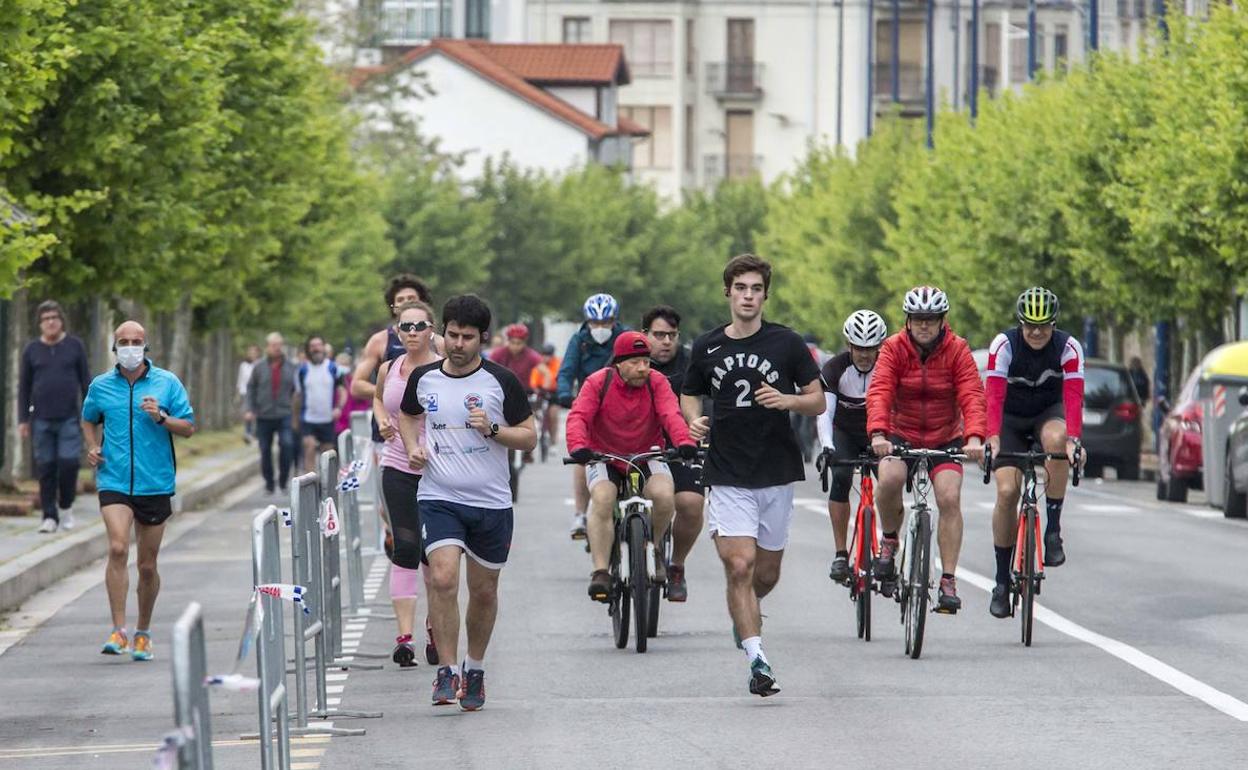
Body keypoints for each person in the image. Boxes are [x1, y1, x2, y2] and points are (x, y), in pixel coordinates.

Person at [680, 254, 825, 697]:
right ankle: (757, 658)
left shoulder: (786, 343)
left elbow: (817, 401)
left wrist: (788, 401)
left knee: (764, 575)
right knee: (738, 565)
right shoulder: (706, 346)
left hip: (777, 469)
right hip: (726, 470)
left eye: (755, 289)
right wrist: (693, 420)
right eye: (740, 288)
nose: (748, 296)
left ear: (765, 294)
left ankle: (748, 613)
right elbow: (690, 393)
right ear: (728, 292)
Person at [398, 294, 537, 712]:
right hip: (439, 494)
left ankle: (474, 669)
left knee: (484, 592)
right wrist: (412, 447)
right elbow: (408, 415)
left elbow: (528, 436)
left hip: (491, 502)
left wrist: (494, 430)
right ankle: (446, 670)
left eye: (468, 337)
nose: (458, 344)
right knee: (441, 578)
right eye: (453, 335)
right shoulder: (424, 379)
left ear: (483, 338)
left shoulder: (501, 381)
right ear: (443, 332)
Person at [865, 286, 986, 615]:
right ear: (907, 320)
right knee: (889, 479)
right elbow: (880, 391)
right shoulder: (893, 348)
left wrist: (974, 437)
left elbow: (972, 394)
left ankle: (948, 579)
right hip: (898, 433)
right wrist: (878, 433)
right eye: (917, 319)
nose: (923, 325)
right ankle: (889, 539)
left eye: (930, 320)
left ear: (942, 321)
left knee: (948, 497)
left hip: (944, 435)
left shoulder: (957, 349)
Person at [81, 321, 195, 661]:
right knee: (117, 547)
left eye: (136, 341)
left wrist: (161, 417)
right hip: (113, 478)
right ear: (115, 348)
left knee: (147, 564)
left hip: (155, 482)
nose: (130, 347)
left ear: (146, 346)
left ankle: (143, 632)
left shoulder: (167, 383)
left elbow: (188, 426)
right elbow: (89, 418)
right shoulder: (101, 386)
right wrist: (91, 446)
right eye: (123, 342)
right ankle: (118, 630)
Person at [566, 331, 696, 601]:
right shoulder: (597, 382)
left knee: (663, 495)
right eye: (635, 362)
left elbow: (670, 413)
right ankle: (601, 571)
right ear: (619, 363)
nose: (643, 368)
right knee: (602, 498)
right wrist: (579, 446)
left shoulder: (657, 383)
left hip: (647, 453)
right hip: (605, 456)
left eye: (646, 362)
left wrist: (684, 441)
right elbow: (578, 416)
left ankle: (655, 548)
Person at [984, 287, 1085, 618]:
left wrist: (1073, 441)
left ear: (1054, 324)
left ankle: (1053, 530)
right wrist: (992, 437)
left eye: (1044, 326)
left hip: (1047, 413)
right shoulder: (1004, 346)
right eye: (1030, 326)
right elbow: (994, 396)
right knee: (1007, 490)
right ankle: (1001, 581)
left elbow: (1073, 397)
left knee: (1057, 441)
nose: (1037, 332)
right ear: (1020, 323)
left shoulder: (1069, 347)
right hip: (1010, 419)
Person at [373, 301, 441, 667]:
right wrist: (384, 421)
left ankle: (435, 625)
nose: (412, 332)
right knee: (405, 547)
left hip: (438, 471)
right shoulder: (390, 368)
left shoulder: (444, 370)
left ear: (432, 329)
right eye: (405, 327)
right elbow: (379, 400)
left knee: (434, 554)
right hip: (397, 466)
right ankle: (404, 638)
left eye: (419, 326)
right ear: (397, 332)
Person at [816, 309, 888, 584]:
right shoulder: (835, 368)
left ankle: (887, 549)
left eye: (871, 348)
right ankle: (840, 553)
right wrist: (827, 446)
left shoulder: (887, 366)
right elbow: (825, 412)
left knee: (891, 482)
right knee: (842, 478)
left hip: (880, 432)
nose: (865, 355)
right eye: (859, 348)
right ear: (849, 345)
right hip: (845, 432)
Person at [642, 304, 701, 602]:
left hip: (681, 445)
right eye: (659, 335)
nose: (666, 341)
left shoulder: (692, 362)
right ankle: (620, 557)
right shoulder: (628, 358)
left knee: (690, 504)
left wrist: (703, 429)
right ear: (645, 335)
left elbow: (707, 400)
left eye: (672, 335)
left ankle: (676, 564)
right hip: (635, 447)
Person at [557, 293, 627, 540]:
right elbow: (566, 371)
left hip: (624, 403)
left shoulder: (625, 337)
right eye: (594, 323)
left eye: (605, 322)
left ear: (614, 320)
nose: (600, 328)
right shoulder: (579, 340)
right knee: (581, 455)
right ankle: (580, 514)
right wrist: (565, 394)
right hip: (588, 404)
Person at [18, 300, 90, 533]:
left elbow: (85, 382)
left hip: (69, 417)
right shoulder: (31, 350)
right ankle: (49, 516)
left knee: (69, 463)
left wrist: (89, 415)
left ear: (61, 321)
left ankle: (66, 508)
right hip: (40, 419)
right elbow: (24, 387)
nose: (50, 322)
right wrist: (22, 420)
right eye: (46, 319)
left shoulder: (75, 346)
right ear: (40, 324)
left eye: (54, 318)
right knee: (46, 467)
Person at [245, 332, 299, 495]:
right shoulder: (259, 367)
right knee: (265, 449)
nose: (277, 348)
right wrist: (249, 409)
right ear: (267, 347)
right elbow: (251, 389)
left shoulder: (291, 367)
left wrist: (295, 411)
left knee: (287, 444)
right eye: (274, 345)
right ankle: (269, 483)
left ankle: (283, 481)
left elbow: (297, 391)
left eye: (279, 345)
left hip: (284, 413)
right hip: (263, 414)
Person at [293, 335, 346, 472]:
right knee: (309, 447)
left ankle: (326, 487)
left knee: (327, 454)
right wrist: (295, 418)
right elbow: (297, 396)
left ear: (323, 347)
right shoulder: (302, 370)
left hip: (327, 418)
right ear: (308, 350)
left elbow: (342, 391)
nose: (316, 349)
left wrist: (339, 408)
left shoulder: (334, 368)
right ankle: (310, 485)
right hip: (308, 418)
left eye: (318, 345)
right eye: (312, 346)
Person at [529, 343, 562, 444]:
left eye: (549, 355)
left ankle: (553, 441)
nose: (546, 357)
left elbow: (557, 378)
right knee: (533, 412)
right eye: (544, 355)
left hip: (554, 392)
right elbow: (533, 379)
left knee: (553, 414)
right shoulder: (538, 364)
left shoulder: (558, 363)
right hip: (540, 391)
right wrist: (535, 388)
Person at [334, 352, 367, 436]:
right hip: (340, 421)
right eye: (340, 364)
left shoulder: (354, 380)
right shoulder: (335, 381)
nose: (342, 367)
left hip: (355, 420)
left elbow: (363, 398)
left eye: (345, 364)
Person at [237, 344, 260, 444]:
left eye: (254, 352)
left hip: (258, 392)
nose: (252, 354)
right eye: (250, 352)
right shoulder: (244, 365)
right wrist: (238, 391)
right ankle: (247, 432)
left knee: (256, 413)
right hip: (245, 392)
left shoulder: (260, 364)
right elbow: (240, 379)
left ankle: (255, 433)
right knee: (247, 413)